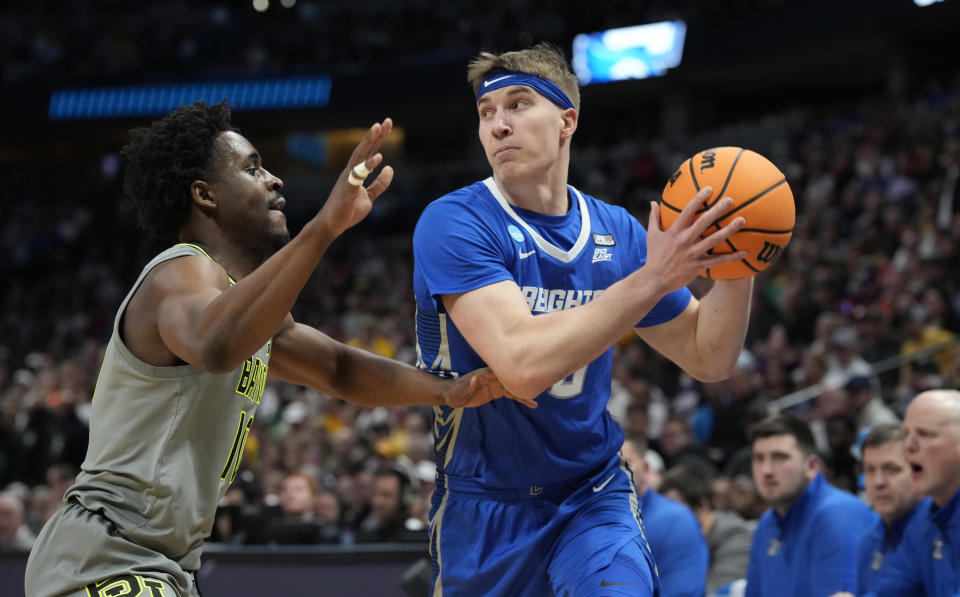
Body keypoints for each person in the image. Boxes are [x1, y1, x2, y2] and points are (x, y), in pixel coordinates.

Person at [24, 101, 525, 597]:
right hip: (104, 556)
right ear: (205, 194)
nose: (275, 179)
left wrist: (447, 391)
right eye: (253, 168)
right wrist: (323, 227)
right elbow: (215, 347)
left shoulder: (246, 309)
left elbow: (338, 368)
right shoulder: (180, 271)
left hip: (163, 563)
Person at [412, 42, 754, 596]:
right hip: (484, 505)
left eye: (518, 105)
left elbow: (708, 356)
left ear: (567, 119)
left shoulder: (617, 231)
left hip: (591, 494)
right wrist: (652, 279)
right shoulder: (453, 221)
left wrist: (741, 257)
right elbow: (522, 365)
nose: (498, 125)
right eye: (486, 113)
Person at [745, 413, 877, 596]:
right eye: (759, 458)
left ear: (812, 466)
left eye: (779, 457)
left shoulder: (837, 514)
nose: (766, 470)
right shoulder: (766, 523)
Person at [862, 390, 960, 596]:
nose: (908, 446)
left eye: (925, 434)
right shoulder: (925, 520)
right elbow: (894, 589)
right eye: (907, 434)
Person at [622, 433, 709, 597]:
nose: (614, 473)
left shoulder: (676, 520)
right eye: (606, 466)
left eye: (624, 463)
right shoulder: (582, 520)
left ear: (645, 468)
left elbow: (684, 592)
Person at [659, 465, 756, 596]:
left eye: (675, 511)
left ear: (702, 506)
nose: (667, 520)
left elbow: (713, 593)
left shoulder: (737, 536)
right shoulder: (672, 539)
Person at [853, 423, 927, 595]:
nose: (878, 482)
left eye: (891, 469)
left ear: (918, 470)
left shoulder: (937, 533)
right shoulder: (866, 541)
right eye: (869, 470)